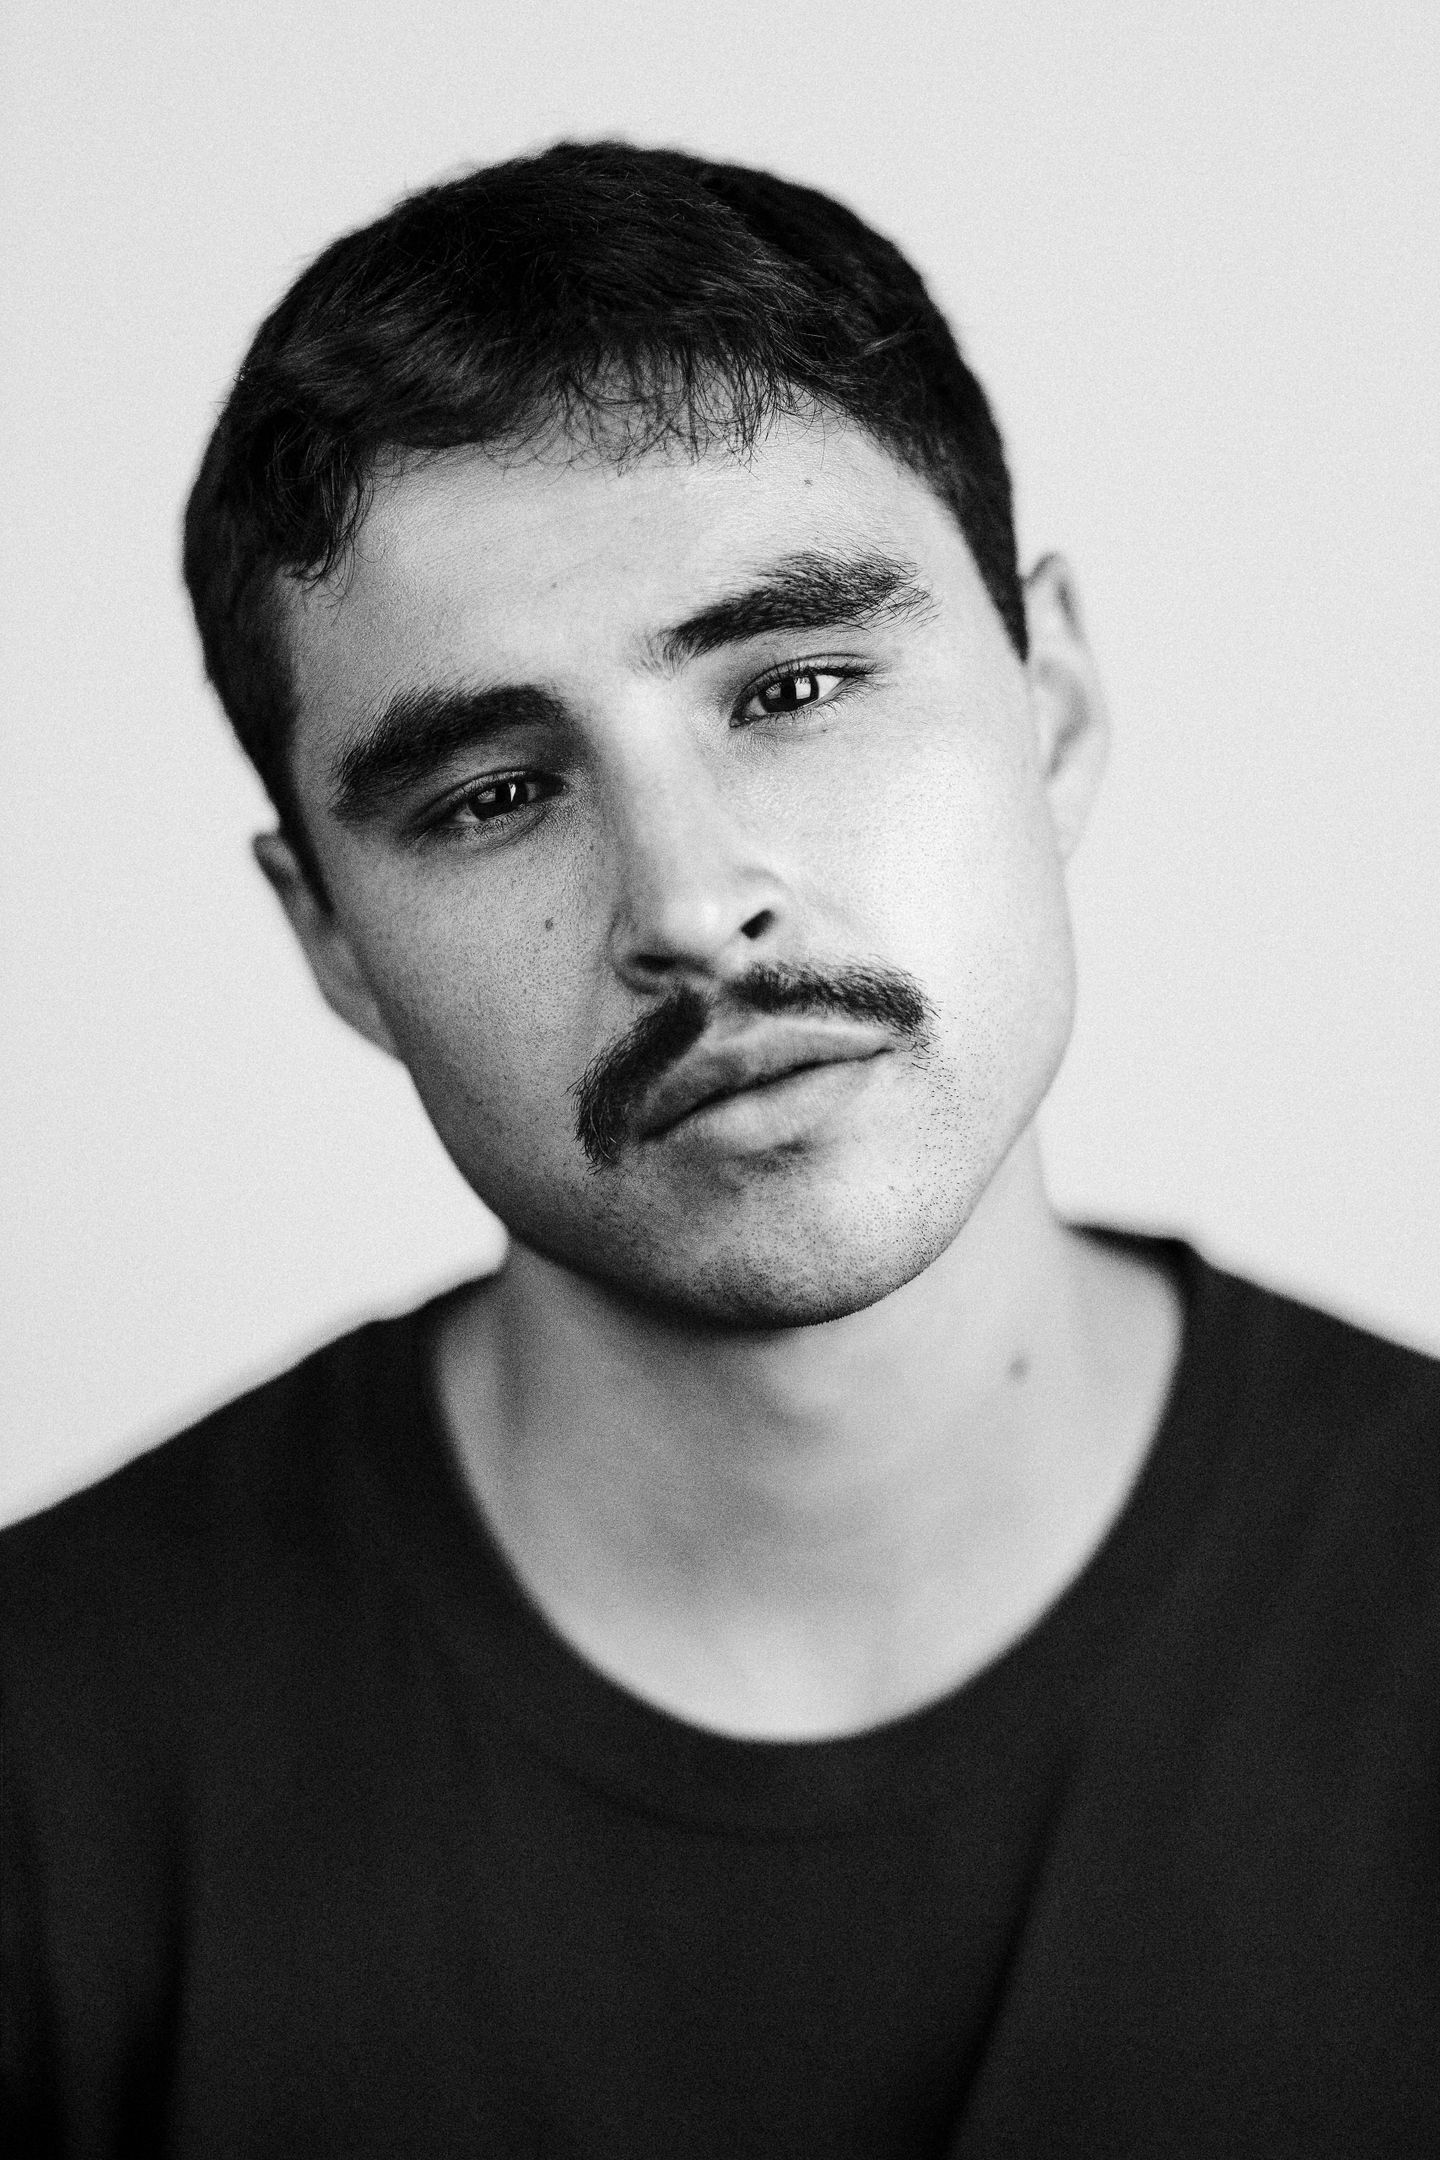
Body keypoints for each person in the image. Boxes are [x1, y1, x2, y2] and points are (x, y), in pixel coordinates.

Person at [1, 139, 1435, 2159]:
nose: (688, 903)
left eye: (799, 685)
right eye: (493, 795)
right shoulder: (50, 1759)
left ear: (1052, 703)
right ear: (328, 936)